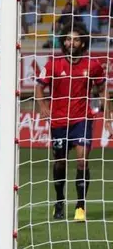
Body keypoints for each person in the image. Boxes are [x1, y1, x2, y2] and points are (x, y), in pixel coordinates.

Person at [36, 24, 105, 222]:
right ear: (63, 42)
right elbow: (40, 88)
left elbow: (102, 89)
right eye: (67, 39)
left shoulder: (92, 64)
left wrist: (105, 112)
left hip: (82, 119)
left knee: (82, 160)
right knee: (60, 162)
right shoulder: (53, 64)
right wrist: (42, 106)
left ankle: (80, 206)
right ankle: (59, 201)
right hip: (58, 121)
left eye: (75, 39)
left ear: (82, 42)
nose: (70, 42)